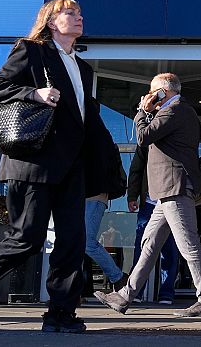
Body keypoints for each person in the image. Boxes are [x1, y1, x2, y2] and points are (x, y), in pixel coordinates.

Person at [0, 0, 102, 334]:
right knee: (27, 237)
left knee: (72, 243)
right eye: (70, 13)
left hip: (71, 165)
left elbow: (84, 119)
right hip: (33, 161)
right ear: (51, 22)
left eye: (80, 13)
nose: (78, 18)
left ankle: (59, 314)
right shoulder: (32, 50)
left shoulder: (83, 68)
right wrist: (34, 94)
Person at [95, 72, 201, 317]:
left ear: (164, 91)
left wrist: (142, 110)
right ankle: (124, 296)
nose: (149, 96)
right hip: (165, 190)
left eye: (153, 92)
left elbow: (143, 137)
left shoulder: (176, 110)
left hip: (175, 187)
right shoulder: (174, 111)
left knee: (188, 245)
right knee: (149, 244)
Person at [127, 144, 180, 304]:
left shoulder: (177, 138)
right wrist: (132, 196)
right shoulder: (146, 142)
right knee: (143, 247)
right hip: (149, 202)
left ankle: (166, 292)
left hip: (171, 199)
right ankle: (136, 291)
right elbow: (136, 169)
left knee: (169, 249)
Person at [83, 113, 128, 293]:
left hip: (93, 195)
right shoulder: (95, 135)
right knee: (76, 244)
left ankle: (118, 277)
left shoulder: (97, 137)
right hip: (85, 195)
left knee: (86, 242)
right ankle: (75, 290)